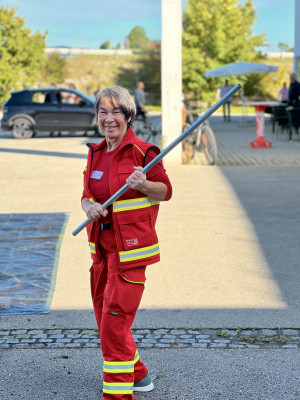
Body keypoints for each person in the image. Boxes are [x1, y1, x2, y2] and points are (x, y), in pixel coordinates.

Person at [81, 85, 172, 400]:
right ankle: (139, 374)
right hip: (101, 254)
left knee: (113, 325)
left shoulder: (144, 153)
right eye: (102, 111)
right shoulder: (94, 153)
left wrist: (144, 183)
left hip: (130, 254)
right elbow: (85, 196)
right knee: (104, 319)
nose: (108, 118)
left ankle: (118, 395)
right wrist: (89, 208)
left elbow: (166, 191)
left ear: (129, 115)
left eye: (115, 111)